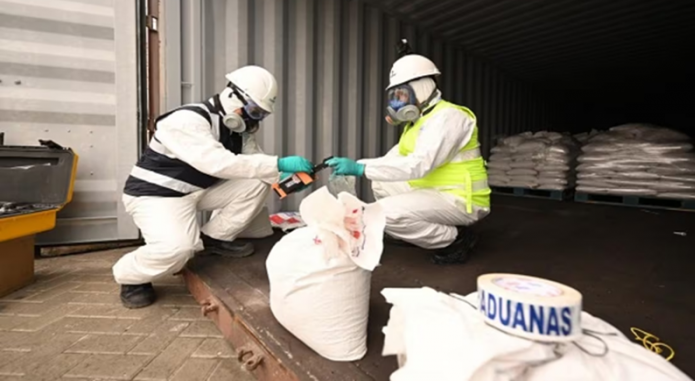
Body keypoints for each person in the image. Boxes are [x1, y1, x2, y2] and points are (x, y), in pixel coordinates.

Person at [113, 65, 313, 308]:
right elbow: (216, 163)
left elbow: (255, 162)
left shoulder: (237, 130)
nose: (255, 119)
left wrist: (283, 179)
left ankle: (213, 239)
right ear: (233, 96)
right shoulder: (186, 120)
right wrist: (278, 163)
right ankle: (131, 277)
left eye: (261, 114)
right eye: (254, 111)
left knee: (258, 181)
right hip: (157, 196)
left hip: (195, 191)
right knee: (178, 248)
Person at [327, 53, 491, 265]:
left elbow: (420, 164)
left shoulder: (450, 117)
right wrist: (355, 166)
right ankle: (413, 231)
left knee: (382, 214)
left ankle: (455, 239)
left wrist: (360, 169)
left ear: (422, 87)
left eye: (402, 95)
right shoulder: (418, 123)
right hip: (435, 191)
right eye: (394, 96)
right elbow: (391, 161)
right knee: (380, 180)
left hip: (460, 198)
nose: (397, 102)